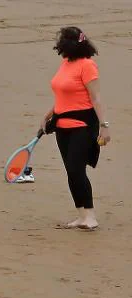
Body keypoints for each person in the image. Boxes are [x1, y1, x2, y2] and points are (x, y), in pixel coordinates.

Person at [40, 26, 111, 230]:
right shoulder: (65, 64)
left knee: (76, 169)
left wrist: (104, 127)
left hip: (83, 125)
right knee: (71, 172)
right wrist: (48, 115)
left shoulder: (88, 66)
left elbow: (95, 98)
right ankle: (81, 215)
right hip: (62, 126)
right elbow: (64, 95)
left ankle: (90, 216)